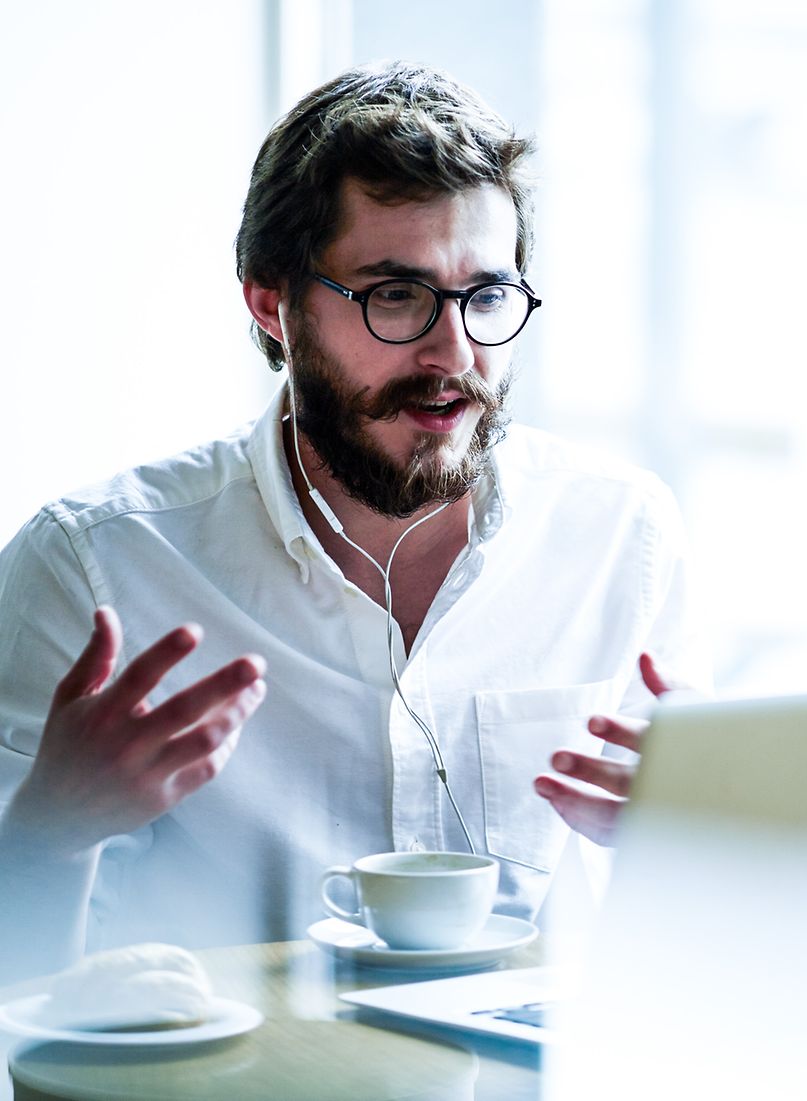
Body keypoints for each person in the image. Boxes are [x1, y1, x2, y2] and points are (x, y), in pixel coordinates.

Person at [0, 61, 708, 983]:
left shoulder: (624, 536)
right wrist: (52, 828)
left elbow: (691, 937)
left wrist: (700, 833)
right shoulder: (95, 564)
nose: (452, 353)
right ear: (273, 304)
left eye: (486, 296)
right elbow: (15, 995)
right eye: (396, 295)